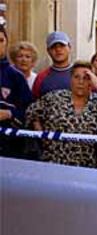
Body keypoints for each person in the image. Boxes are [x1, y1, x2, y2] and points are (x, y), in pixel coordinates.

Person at [25, 61, 97, 168]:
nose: (81, 82)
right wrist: (41, 134)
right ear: (71, 79)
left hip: (88, 164)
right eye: (76, 77)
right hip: (54, 162)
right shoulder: (55, 97)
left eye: (86, 78)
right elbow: (32, 111)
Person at [0, 25, 33, 158]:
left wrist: (9, 113)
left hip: (9, 145)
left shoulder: (16, 76)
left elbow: (29, 111)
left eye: (0, 40)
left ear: (6, 43)